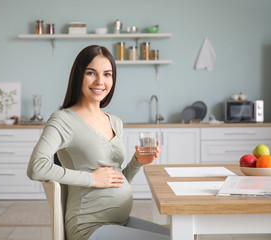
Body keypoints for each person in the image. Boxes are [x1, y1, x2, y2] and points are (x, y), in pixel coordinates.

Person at [27, 45, 170, 240]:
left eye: (107, 74)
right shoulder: (63, 119)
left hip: (119, 222)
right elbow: (36, 167)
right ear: (79, 76)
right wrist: (91, 179)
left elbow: (115, 180)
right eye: (91, 73)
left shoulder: (115, 122)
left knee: (183, 236)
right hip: (88, 227)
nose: (100, 81)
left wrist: (137, 162)